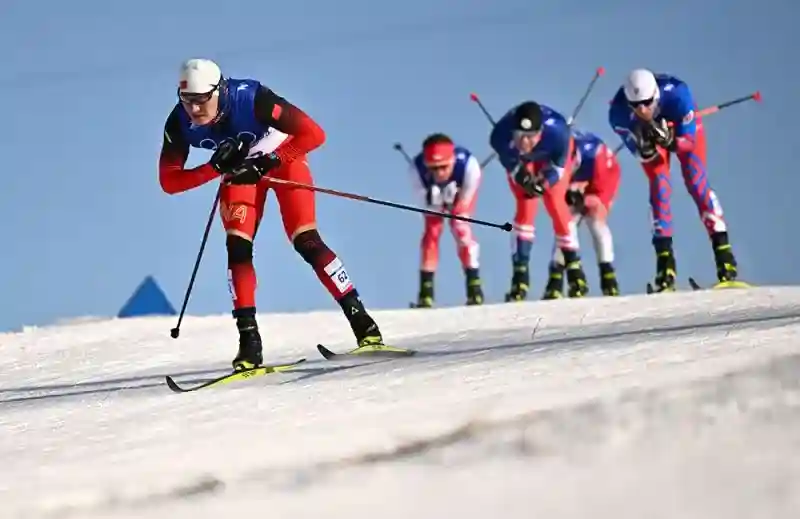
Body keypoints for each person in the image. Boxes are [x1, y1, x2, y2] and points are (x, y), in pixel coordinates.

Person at [158, 58, 386, 371]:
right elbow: (169, 182)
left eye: (202, 99)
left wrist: (269, 162)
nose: (194, 109)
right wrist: (215, 167)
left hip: (283, 160)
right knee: (237, 248)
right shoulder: (178, 121)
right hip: (239, 172)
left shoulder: (251, 98)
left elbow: (314, 134)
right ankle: (249, 344)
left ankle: (364, 325)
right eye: (187, 100)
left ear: (219, 90)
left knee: (306, 240)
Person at [609, 68, 738, 292]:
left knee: (696, 181)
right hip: (650, 133)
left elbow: (689, 142)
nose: (642, 109)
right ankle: (665, 266)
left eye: (647, 103)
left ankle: (725, 259)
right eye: (636, 105)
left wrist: (670, 141)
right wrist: (645, 147)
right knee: (659, 185)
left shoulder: (678, 93)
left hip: (679, 127)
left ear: (655, 95)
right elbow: (641, 154)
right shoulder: (618, 113)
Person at [490, 101, 588, 300]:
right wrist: (521, 176)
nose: (525, 142)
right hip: (521, 160)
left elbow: (558, 169)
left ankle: (574, 267)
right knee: (525, 204)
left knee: (555, 201)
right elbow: (509, 161)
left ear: (541, 132)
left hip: (550, 156)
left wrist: (545, 182)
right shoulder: (501, 134)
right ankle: (520, 274)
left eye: (530, 136)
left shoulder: (558, 132)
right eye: (519, 136)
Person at [542, 128, 622, 299]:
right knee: (565, 220)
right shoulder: (551, 156)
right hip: (575, 181)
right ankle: (557, 275)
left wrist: (588, 198)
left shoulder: (594, 154)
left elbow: (602, 196)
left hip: (603, 176)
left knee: (595, 219)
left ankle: (607, 275)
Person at [408, 133, 483, 307]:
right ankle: (426, 292)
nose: (439, 173)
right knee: (432, 233)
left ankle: (474, 287)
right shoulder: (416, 170)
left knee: (460, 227)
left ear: (452, 161)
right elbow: (423, 201)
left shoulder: (469, 166)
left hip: (462, 191)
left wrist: (456, 201)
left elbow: (465, 200)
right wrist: (434, 200)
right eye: (433, 169)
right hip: (433, 197)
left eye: (444, 167)